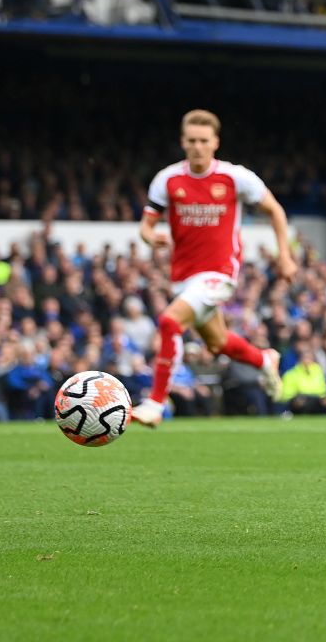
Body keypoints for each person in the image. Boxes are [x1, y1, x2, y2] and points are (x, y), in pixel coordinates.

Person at [130, 109, 297, 427]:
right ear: (183, 142)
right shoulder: (167, 179)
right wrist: (152, 238)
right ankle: (264, 359)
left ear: (215, 142)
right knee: (218, 343)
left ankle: (155, 402)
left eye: (203, 141)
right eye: (191, 140)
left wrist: (285, 256)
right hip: (183, 277)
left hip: (219, 274)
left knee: (169, 322)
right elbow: (145, 226)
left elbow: (275, 210)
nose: (197, 146)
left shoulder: (235, 178)